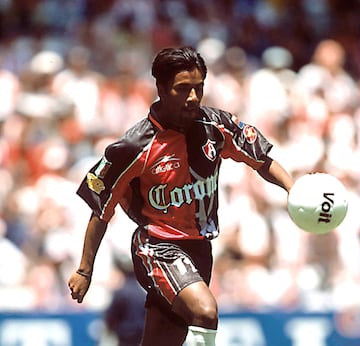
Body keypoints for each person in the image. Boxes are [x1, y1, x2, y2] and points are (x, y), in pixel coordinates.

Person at [68, 46, 294, 346]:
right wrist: (85, 270)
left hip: (200, 250)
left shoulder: (216, 126)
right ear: (161, 89)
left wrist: (293, 189)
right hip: (157, 248)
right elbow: (101, 211)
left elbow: (260, 160)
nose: (193, 98)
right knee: (205, 311)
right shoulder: (134, 147)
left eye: (198, 89)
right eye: (183, 89)